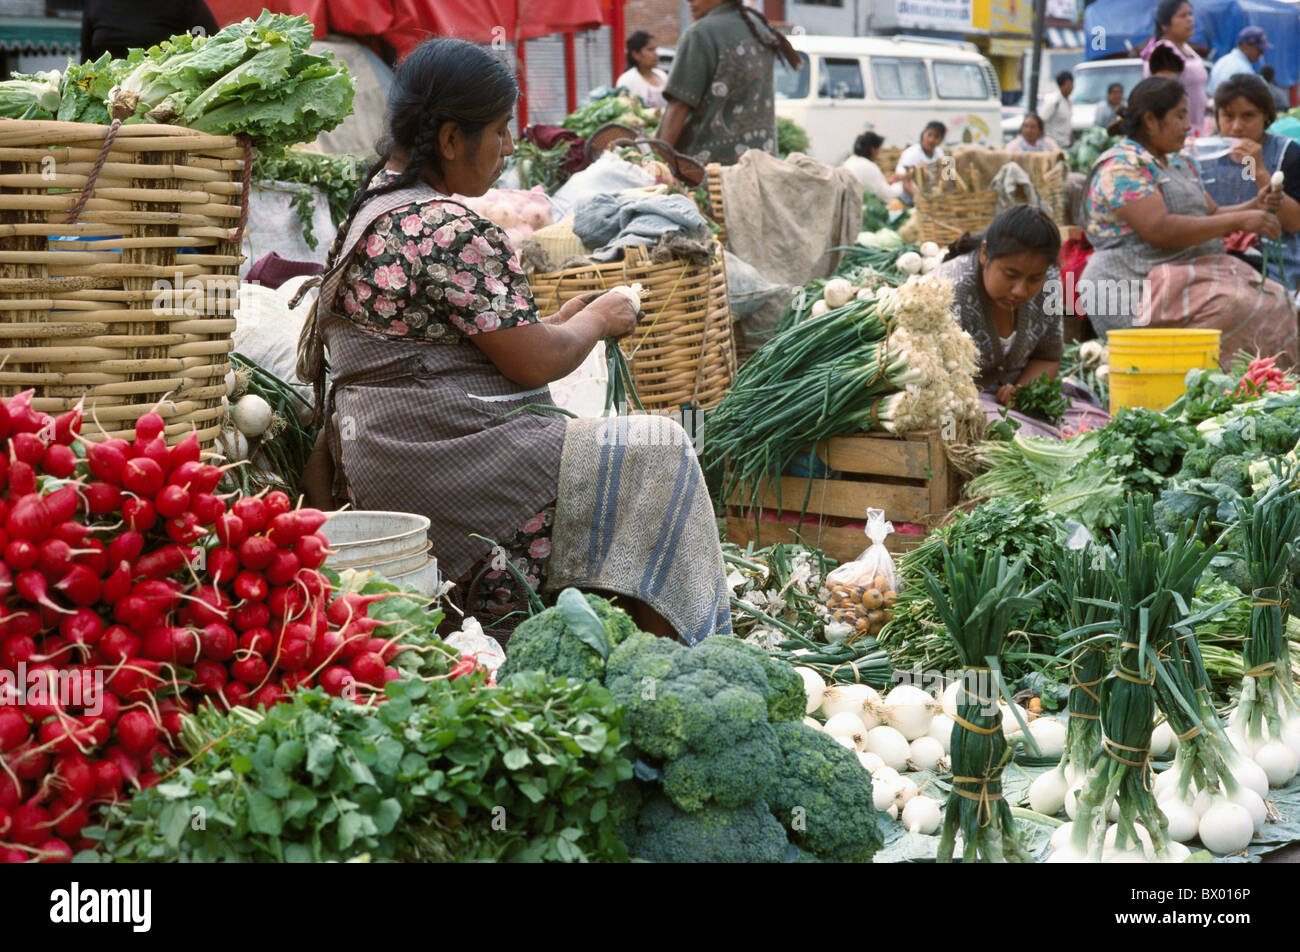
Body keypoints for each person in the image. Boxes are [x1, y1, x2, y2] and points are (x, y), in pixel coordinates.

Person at [296, 38, 732, 643]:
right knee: (660, 447)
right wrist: (599, 320)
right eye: (500, 132)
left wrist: (569, 322)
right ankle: (682, 651)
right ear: (450, 139)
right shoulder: (447, 228)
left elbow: (472, 344)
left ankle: (629, 636)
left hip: (387, 461)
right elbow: (536, 364)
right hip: (450, 474)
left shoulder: (371, 213)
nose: (507, 149)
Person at [1079, 77, 1296, 365]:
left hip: (1188, 278)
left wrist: (1257, 205)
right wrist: (1243, 219)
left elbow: (1213, 214)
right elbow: (1160, 229)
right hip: (1134, 287)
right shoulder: (1122, 166)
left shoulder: (1178, 161)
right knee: (1237, 305)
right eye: (1180, 115)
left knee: (1278, 299)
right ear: (1150, 121)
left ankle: (1266, 381)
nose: (1187, 125)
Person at [937, 206, 1109, 438]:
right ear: (985, 254)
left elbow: (1047, 357)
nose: (1020, 290)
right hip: (960, 403)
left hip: (1011, 406)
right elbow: (935, 379)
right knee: (1027, 438)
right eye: (1010, 275)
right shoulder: (948, 290)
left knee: (1100, 427)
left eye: (1034, 278)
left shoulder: (1048, 282)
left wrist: (1023, 391)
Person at [658, 0, 802, 165]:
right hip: (761, 167)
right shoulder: (759, 27)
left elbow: (679, 107)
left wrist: (659, 162)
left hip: (710, 172)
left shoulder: (701, 32)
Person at [1202, 74, 1300, 292]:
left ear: (1265, 116)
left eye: (1248, 116)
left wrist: (1260, 170)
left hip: (1273, 264)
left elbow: (1295, 223)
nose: (1236, 127)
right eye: (1228, 116)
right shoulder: (1204, 156)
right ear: (1217, 117)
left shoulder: (1287, 153)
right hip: (1213, 259)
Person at [1141, 0, 1210, 134]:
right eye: (1182, 16)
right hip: (1176, 132)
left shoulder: (1187, 48)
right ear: (1164, 25)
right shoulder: (1164, 52)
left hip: (1196, 129)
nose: (1190, 19)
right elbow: (1161, 98)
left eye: (1190, 14)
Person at [81, 0, 217, 62]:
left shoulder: (185, 3)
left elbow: (212, 50)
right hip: (103, 106)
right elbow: (85, 64)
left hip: (164, 108)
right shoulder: (95, 2)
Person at [889, 121, 947, 206]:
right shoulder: (912, 153)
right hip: (907, 200)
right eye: (929, 135)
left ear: (941, 140)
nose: (931, 140)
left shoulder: (941, 153)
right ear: (923, 134)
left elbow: (949, 178)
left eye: (936, 137)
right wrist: (923, 199)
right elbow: (906, 183)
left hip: (930, 199)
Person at [841, 131, 903, 203]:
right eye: (878, 149)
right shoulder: (869, 167)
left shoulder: (848, 162)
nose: (879, 153)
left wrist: (888, 183)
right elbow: (886, 194)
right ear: (873, 150)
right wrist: (901, 185)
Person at [1207, 25, 1269, 96]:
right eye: (1259, 49)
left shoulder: (1224, 60)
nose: (1262, 53)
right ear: (1245, 45)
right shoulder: (1242, 69)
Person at [616, 31, 668, 109]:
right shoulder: (627, 81)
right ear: (635, 54)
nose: (656, 54)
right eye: (650, 50)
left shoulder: (662, 76)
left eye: (655, 49)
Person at [1040, 72, 1075, 147]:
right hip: (1053, 145)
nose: (1072, 87)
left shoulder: (1068, 102)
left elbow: (1067, 123)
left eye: (1072, 84)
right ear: (1061, 86)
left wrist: (1071, 139)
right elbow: (1042, 121)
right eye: (1069, 84)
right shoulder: (1053, 101)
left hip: (1065, 144)